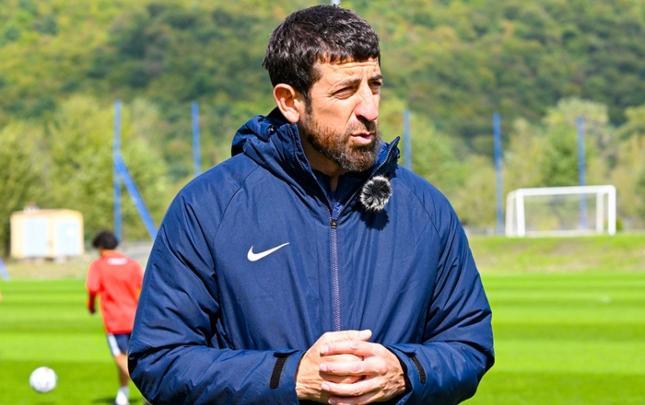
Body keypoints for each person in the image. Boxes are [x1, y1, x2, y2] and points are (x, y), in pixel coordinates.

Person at [129, 5, 494, 404]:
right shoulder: (207, 208)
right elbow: (159, 360)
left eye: (374, 85)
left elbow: (469, 344)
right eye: (345, 91)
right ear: (290, 101)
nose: (370, 109)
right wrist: (289, 377)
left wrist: (405, 371)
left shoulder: (425, 209)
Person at [87, 230, 143, 405]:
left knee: (119, 357)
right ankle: (123, 394)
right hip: (136, 319)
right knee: (130, 357)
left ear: (101, 248)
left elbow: (92, 288)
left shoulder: (99, 265)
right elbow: (144, 287)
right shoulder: (132, 264)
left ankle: (149, 390)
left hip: (115, 320)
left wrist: (91, 306)